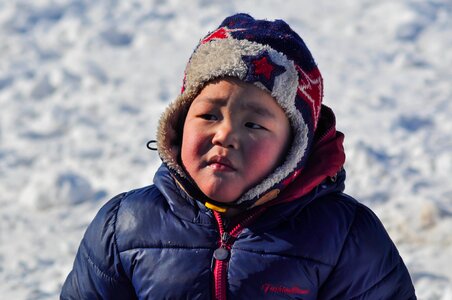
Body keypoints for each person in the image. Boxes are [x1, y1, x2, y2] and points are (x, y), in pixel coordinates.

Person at [61, 13, 416, 299]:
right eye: (209, 115)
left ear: (293, 148)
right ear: (180, 122)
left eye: (253, 124)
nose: (226, 134)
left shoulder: (345, 237)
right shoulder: (123, 226)